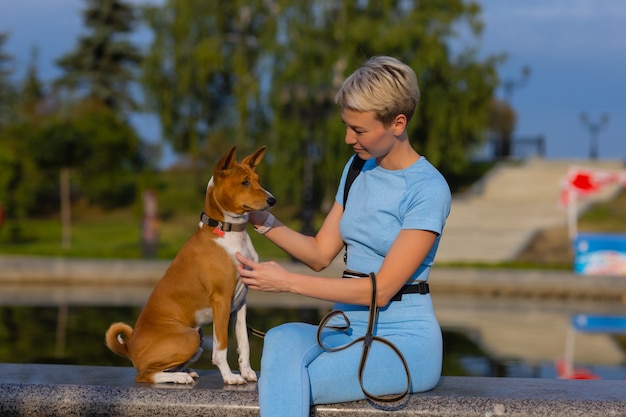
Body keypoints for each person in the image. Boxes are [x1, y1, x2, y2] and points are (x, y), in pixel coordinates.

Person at [235, 55, 451, 417]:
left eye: (360, 130)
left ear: (398, 123)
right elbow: (320, 253)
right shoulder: (356, 168)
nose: (348, 138)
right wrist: (261, 220)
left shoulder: (428, 189)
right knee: (280, 337)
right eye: (346, 126)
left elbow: (379, 290)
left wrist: (288, 283)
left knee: (289, 380)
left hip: (403, 340)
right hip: (344, 327)